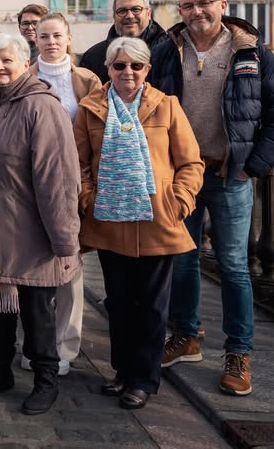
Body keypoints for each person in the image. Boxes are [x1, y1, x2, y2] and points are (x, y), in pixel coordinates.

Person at [149, 0, 274, 396]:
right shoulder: (166, 52)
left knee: (233, 267)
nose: (198, 12)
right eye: (188, 6)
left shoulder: (252, 52)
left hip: (229, 175)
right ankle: (187, 336)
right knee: (182, 260)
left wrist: (253, 165)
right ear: (180, 12)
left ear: (223, 5)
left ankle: (238, 352)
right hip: (182, 176)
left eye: (205, 4)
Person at [75, 37, 204, 409]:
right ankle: (122, 371)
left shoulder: (167, 106)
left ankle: (144, 379)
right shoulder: (90, 108)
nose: (127, 72)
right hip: (110, 222)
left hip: (156, 222)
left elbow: (191, 163)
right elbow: (78, 162)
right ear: (109, 70)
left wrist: (179, 201)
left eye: (135, 66)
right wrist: (88, 198)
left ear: (147, 70)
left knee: (151, 306)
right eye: (119, 66)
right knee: (118, 303)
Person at [0, 33, 81, 416]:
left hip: (32, 235)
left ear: (24, 63)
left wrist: (64, 240)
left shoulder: (41, 108)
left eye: (6, 60)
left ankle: (47, 381)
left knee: (37, 315)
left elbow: (58, 177)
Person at [24, 12, 100, 375]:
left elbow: (100, 133)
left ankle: (65, 346)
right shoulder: (25, 77)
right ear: (34, 40)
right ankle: (35, 343)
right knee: (31, 266)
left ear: (69, 37)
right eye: (44, 36)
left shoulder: (88, 80)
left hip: (73, 185)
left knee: (71, 265)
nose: (51, 42)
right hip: (29, 184)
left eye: (57, 35)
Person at [80, 0, 167, 79]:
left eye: (136, 9)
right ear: (114, 17)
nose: (129, 16)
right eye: (122, 11)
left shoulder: (170, 51)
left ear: (148, 13)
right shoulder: (94, 57)